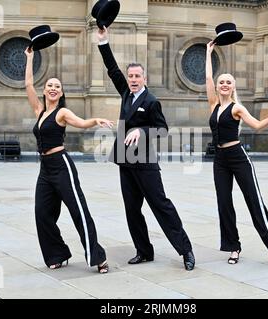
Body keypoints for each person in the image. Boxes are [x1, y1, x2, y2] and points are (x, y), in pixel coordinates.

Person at [96, 27, 195, 271]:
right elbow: (112, 70)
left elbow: (162, 130)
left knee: (161, 206)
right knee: (132, 210)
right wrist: (103, 42)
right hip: (124, 161)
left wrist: (141, 131)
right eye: (130, 76)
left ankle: (186, 251)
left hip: (145, 163)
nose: (132, 79)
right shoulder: (125, 93)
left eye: (137, 76)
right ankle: (144, 251)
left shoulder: (151, 101)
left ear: (144, 79)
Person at [24, 47, 112, 273]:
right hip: (45, 169)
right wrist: (30, 59)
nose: (53, 89)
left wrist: (96, 120)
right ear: (45, 90)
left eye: (57, 87)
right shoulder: (40, 111)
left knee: (78, 211)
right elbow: (28, 86)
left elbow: (81, 123)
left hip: (62, 166)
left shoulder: (62, 113)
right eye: (50, 86)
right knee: (42, 212)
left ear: (61, 93)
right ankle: (58, 253)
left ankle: (98, 257)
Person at [206, 41, 268, 265]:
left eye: (228, 82)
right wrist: (208, 54)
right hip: (220, 160)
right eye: (221, 81)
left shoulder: (237, 108)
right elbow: (207, 80)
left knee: (254, 201)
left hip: (238, 158)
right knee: (224, 203)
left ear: (233, 87)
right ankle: (233, 247)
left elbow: (257, 126)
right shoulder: (213, 104)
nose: (223, 84)